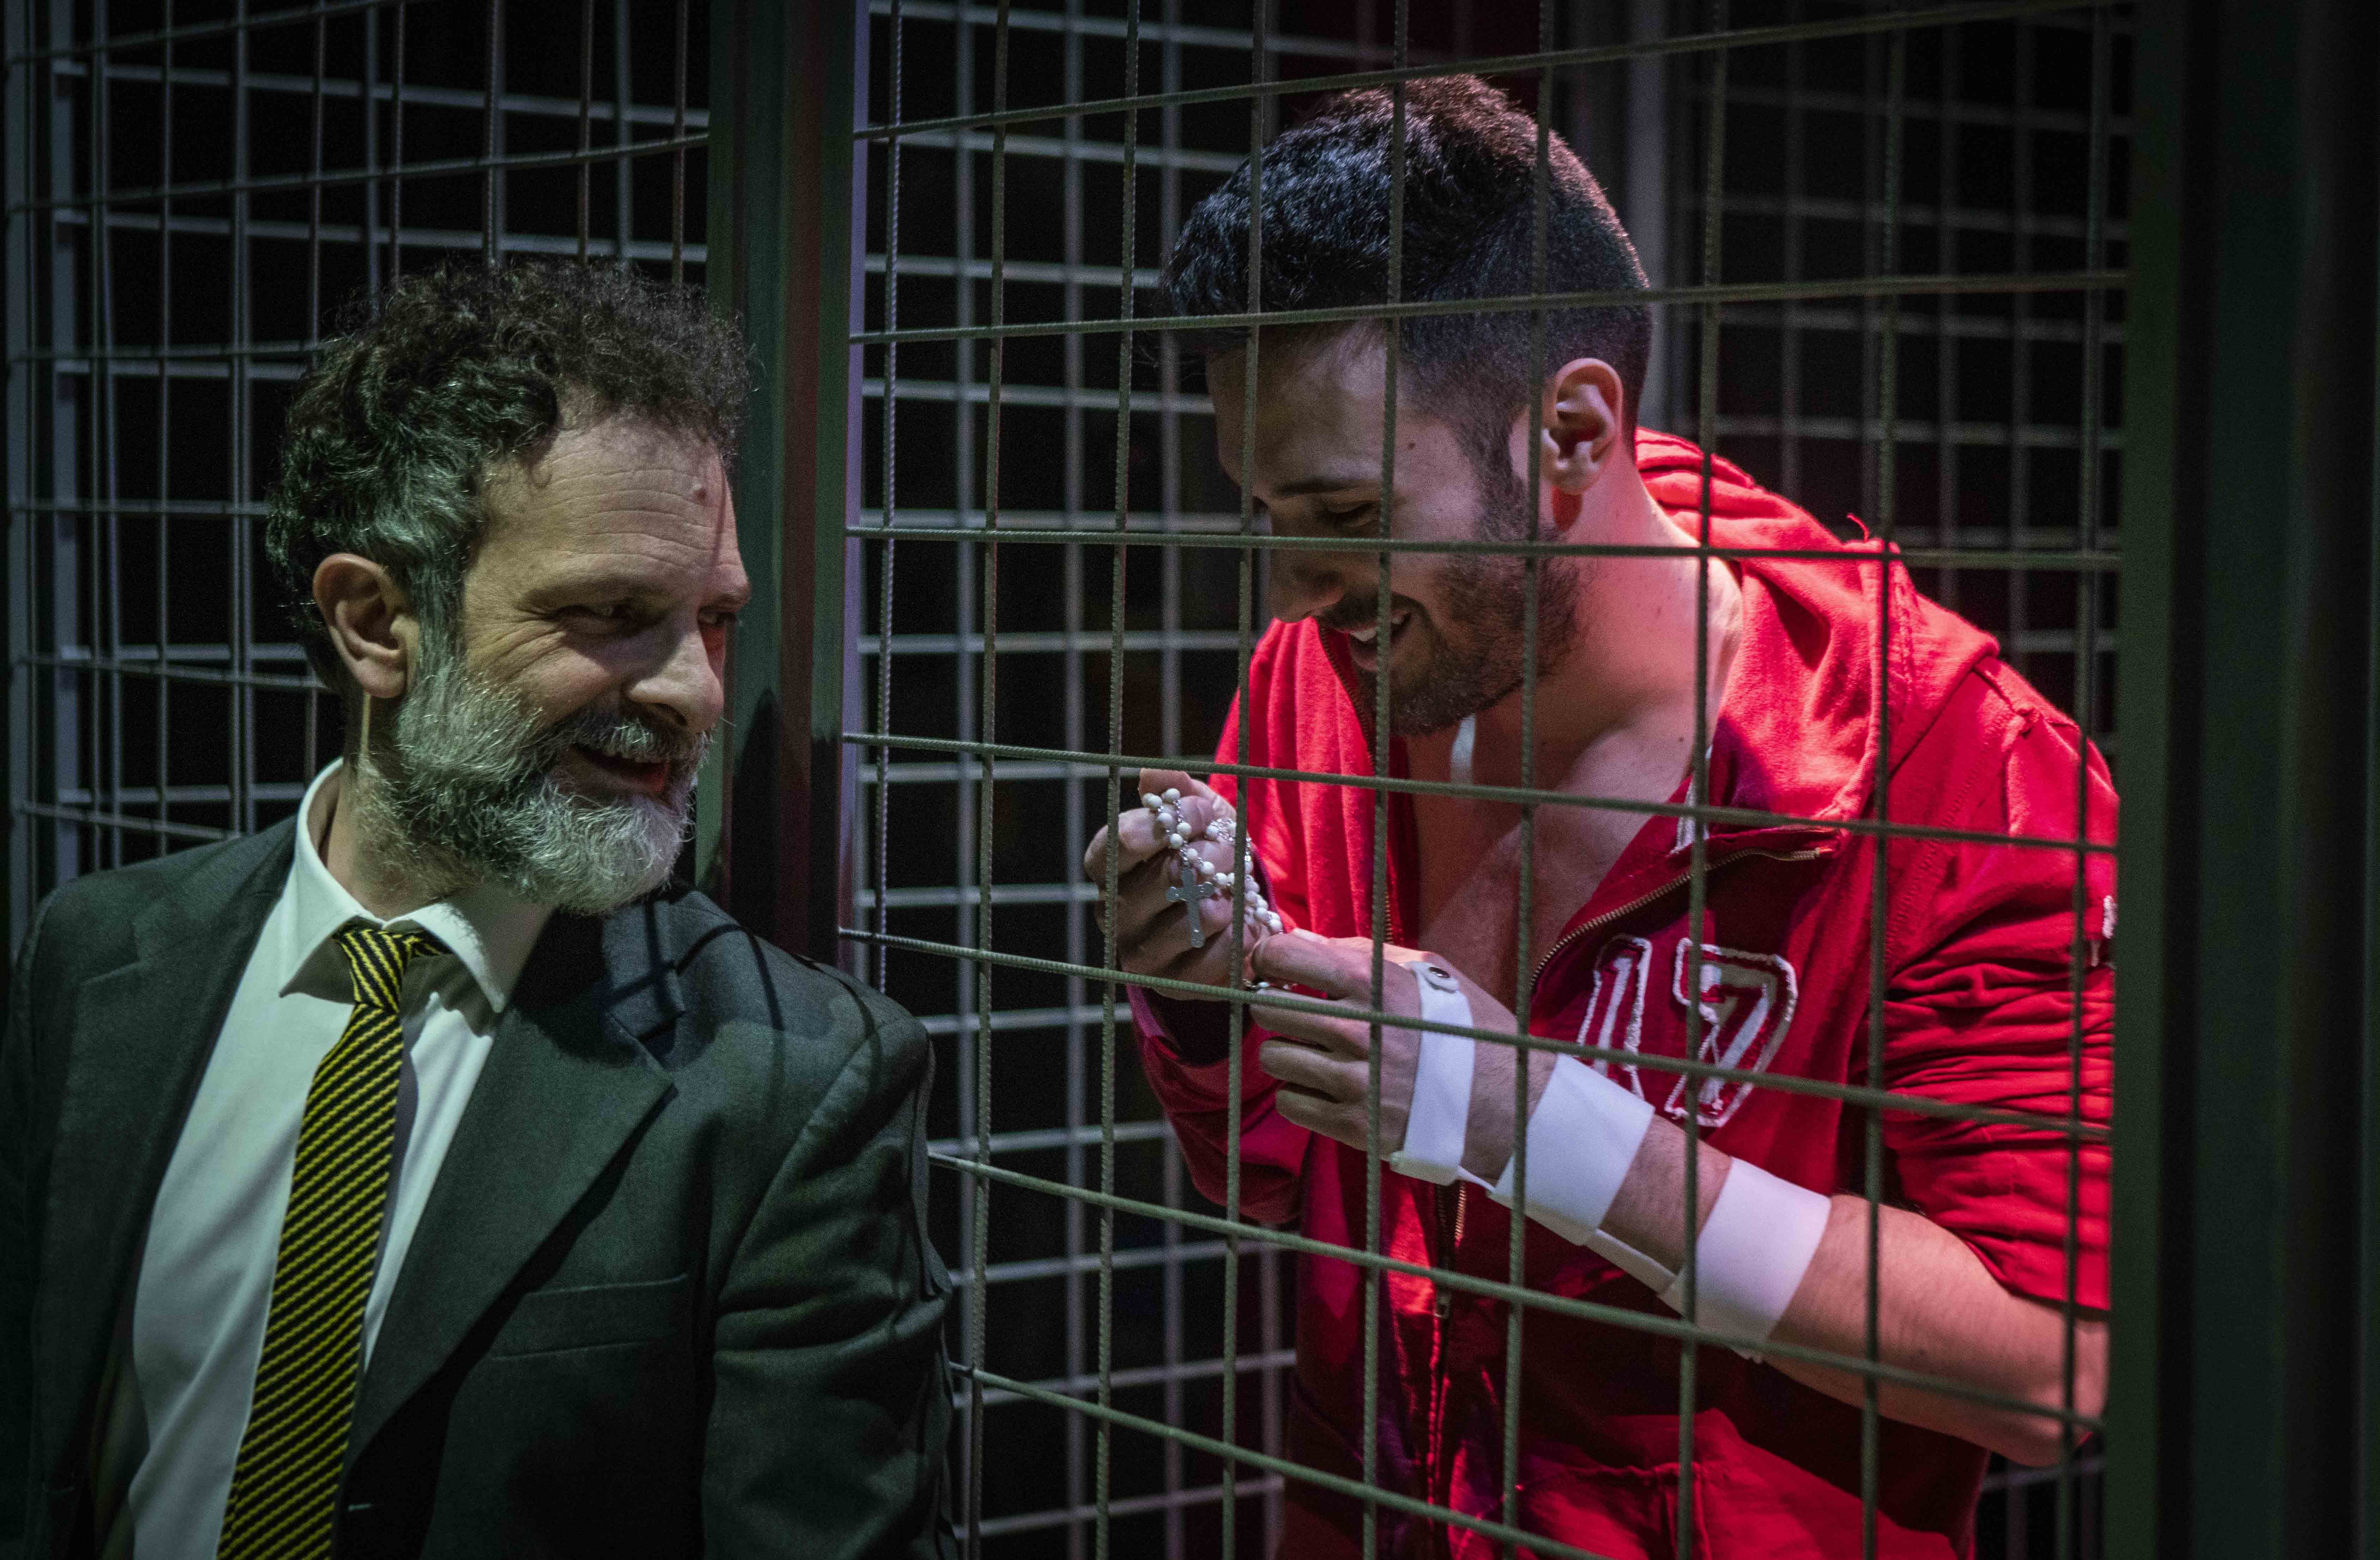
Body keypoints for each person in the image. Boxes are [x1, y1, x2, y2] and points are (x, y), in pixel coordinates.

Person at [1086, 78, 2111, 1559]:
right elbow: (1264, 1163)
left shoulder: (1953, 769)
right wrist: (1198, 1007)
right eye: (1268, 518)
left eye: (1348, 519)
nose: (1293, 592)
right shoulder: (1329, 668)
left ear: (1570, 432)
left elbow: (2049, 1369)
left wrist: (1541, 1127)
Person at [1, 262, 954, 1560]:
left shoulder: (788, 1085)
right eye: (612, 615)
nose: (694, 695)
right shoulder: (98, 955)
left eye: (714, 621)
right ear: (375, 623)